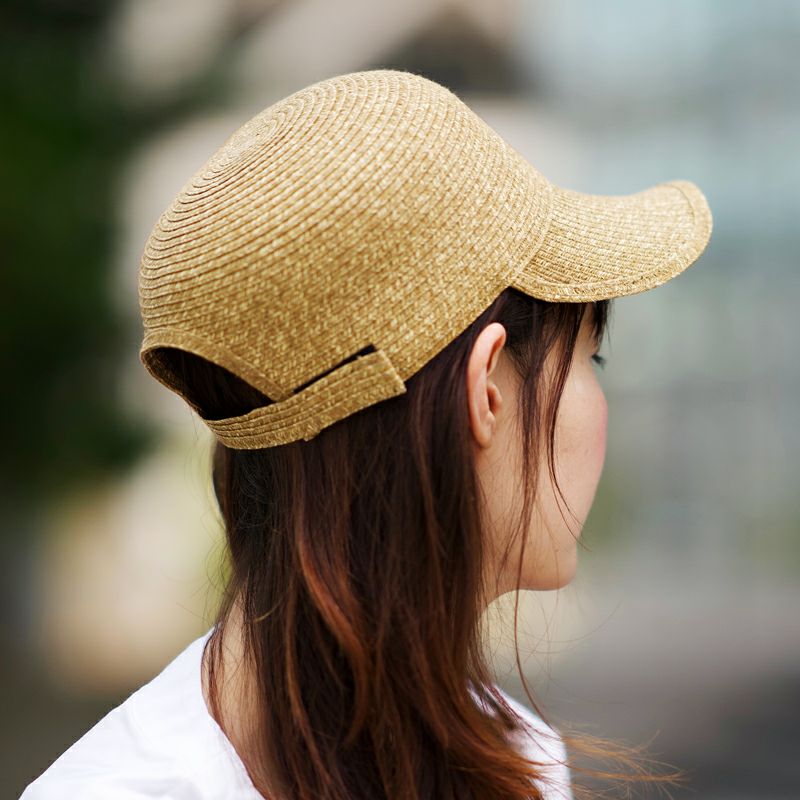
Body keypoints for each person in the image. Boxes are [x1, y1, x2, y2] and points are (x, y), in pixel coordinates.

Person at [20, 68, 712, 800]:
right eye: (589, 358)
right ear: (485, 390)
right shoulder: (513, 766)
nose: (600, 399)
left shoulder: (515, 753)